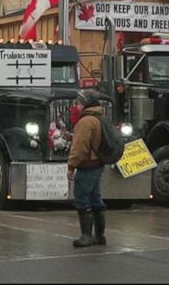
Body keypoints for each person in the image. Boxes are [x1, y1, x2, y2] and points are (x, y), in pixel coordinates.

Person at [67, 90, 107, 248]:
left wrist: (71, 166)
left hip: (87, 166)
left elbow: (80, 147)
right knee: (96, 199)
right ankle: (100, 236)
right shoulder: (99, 118)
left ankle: (86, 236)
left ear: (85, 103)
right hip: (98, 164)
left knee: (82, 199)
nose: (76, 106)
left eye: (78, 102)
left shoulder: (85, 121)